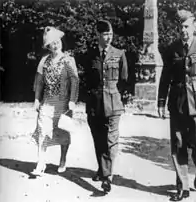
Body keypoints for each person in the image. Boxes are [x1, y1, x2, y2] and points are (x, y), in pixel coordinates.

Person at [157, 10, 196, 201]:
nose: (183, 30)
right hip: (177, 103)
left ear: (194, 26)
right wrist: (161, 102)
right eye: (180, 27)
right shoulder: (171, 49)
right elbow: (165, 78)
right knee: (178, 145)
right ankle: (183, 187)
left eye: (186, 26)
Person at [81, 20, 128, 193]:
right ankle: (102, 169)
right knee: (98, 138)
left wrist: (115, 96)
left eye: (110, 34)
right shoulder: (89, 55)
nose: (107, 38)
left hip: (113, 103)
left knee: (110, 140)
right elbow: (86, 80)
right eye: (104, 34)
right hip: (95, 103)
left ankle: (107, 177)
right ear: (98, 35)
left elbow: (124, 80)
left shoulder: (119, 54)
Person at [32, 26, 79, 176]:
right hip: (47, 101)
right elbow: (39, 81)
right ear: (48, 46)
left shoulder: (68, 60)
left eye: (57, 41)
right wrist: (36, 99)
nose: (56, 44)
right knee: (42, 131)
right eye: (52, 43)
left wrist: (72, 100)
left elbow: (75, 81)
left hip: (63, 103)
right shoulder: (44, 61)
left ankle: (63, 159)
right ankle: (41, 163)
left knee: (63, 133)